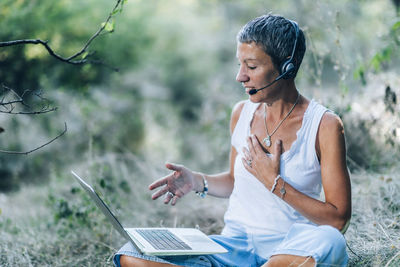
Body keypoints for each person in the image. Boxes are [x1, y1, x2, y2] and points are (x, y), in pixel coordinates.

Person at [114, 14, 351, 267]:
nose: (240, 76)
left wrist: (274, 183)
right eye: (240, 64)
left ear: (286, 68)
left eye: (251, 66)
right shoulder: (241, 113)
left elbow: (338, 219)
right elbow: (235, 181)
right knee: (132, 253)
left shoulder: (324, 125)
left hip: (289, 249)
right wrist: (197, 180)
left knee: (330, 240)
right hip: (233, 248)